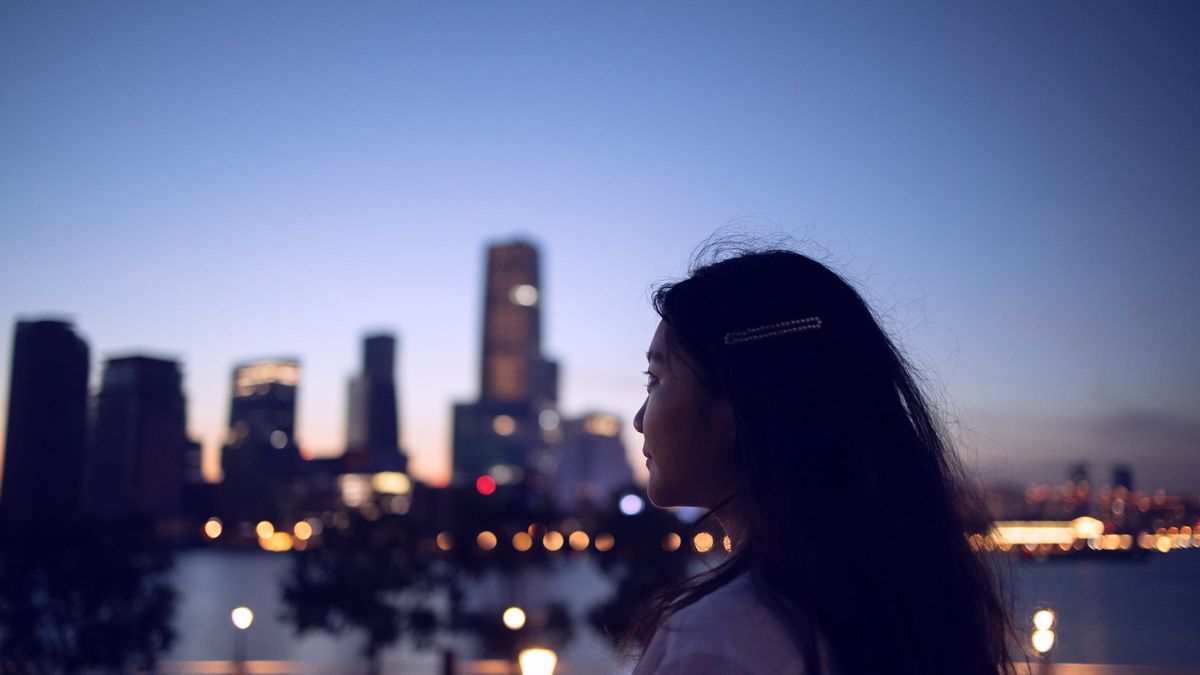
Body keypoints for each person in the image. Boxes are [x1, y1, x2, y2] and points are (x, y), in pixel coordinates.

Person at [628, 245, 1014, 674]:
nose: (639, 420)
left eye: (655, 379)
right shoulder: (910, 605)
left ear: (739, 402)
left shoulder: (718, 641)